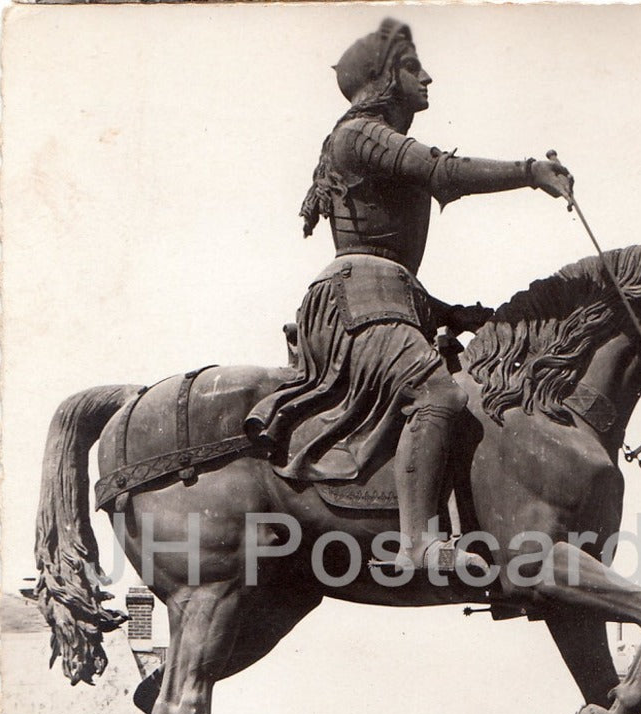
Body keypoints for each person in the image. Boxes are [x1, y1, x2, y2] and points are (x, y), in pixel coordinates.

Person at [245, 18, 572, 576]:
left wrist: (456, 313)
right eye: (412, 67)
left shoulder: (362, 137)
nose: (427, 78)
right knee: (437, 394)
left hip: (385, 296)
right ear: (382, 78)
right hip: (357, 302)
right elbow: (442, 172)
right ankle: (419, 542)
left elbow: (387, 261)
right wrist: (528, 172)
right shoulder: (360, 133)